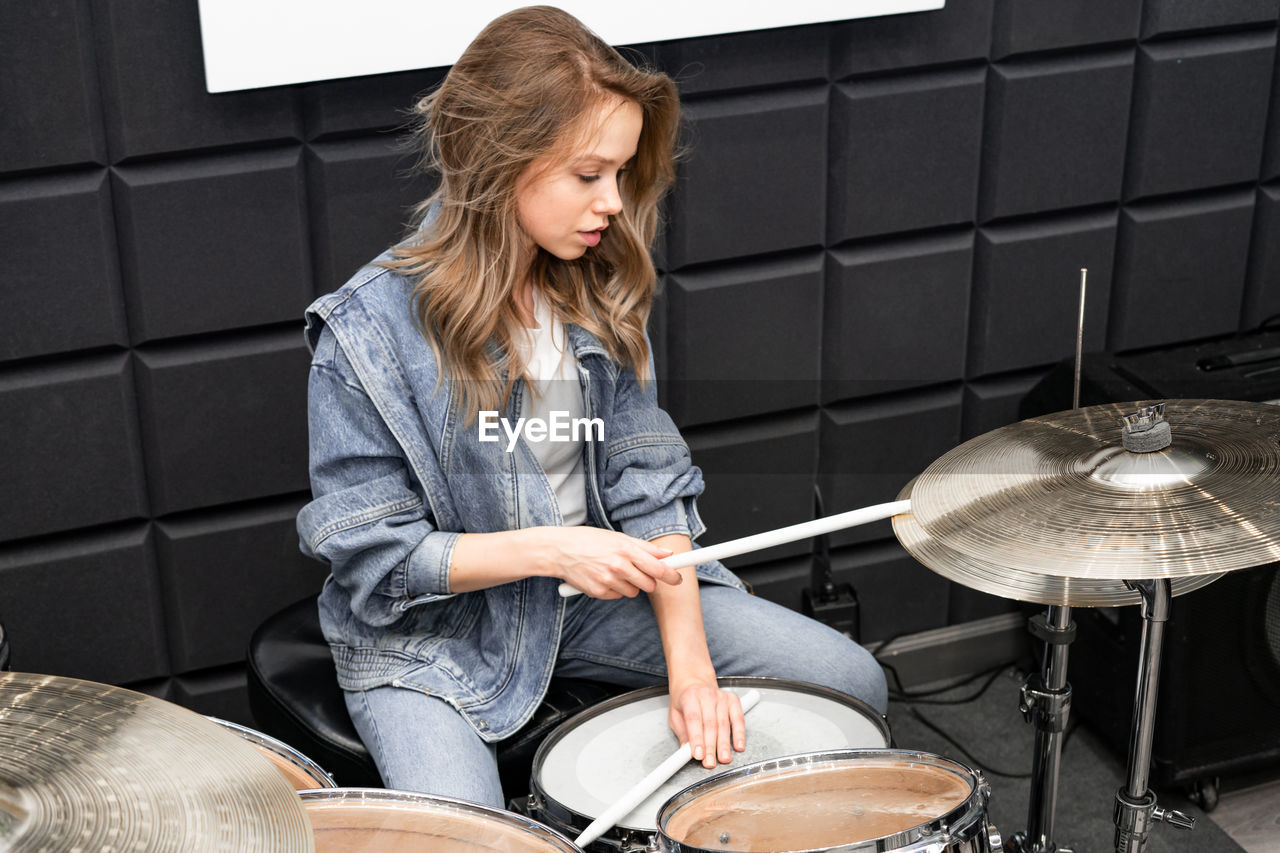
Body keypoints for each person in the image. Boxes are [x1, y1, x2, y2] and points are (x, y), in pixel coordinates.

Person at [297, 5, 887, 808]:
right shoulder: (363, 334)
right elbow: (378, 559)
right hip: (429, 641)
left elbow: (649, 485)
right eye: (588, 175)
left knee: (849, 684)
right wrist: (555, 548)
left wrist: (692, 668)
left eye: (620, 173)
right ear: (497, 160)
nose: (612, 202)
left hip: (588, 607)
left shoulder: (595, 284)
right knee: (480, 840)